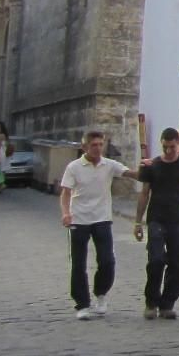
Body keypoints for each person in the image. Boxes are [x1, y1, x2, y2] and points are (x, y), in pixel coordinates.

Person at [59, 130, 143, 319]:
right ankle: (82, 304)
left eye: (100, 144)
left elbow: (131, 174)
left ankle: (101, 293)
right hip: (79, 219)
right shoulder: (74, 167)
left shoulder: (109, 165)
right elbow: (65, 193)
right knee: (78, 263)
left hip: (102, 218)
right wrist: (66, 213)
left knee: (107, 260)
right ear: (85, 147)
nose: (97, 148)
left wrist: (145, 168)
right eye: (93, 145)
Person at [133, 127, 179, 319]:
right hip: (156, 220)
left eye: (172, 147)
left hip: (178, 221)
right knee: (156, 260)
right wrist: (138, 222)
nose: (168, 151)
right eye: (165, 147)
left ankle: (167, 303)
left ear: (178, 144)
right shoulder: (152, 166)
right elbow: (144, 194)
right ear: (161, 144)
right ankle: (151, 302)